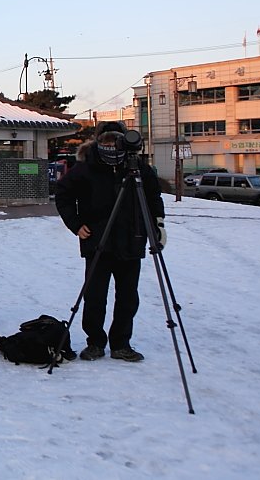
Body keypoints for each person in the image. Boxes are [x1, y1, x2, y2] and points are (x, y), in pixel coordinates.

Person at [54, 121, 166, 363]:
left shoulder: (137, 167)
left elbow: (153, 196)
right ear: (98, 141)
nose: (111, 145)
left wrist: (158, 224)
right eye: (106, 140)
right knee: (95, 296)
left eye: (116, 140)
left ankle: (121, 343)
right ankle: (95, 342)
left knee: (128, 297)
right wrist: (75, 224)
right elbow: (63, 193)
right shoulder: (86, 167)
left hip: (132, 240)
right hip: (97, 241)